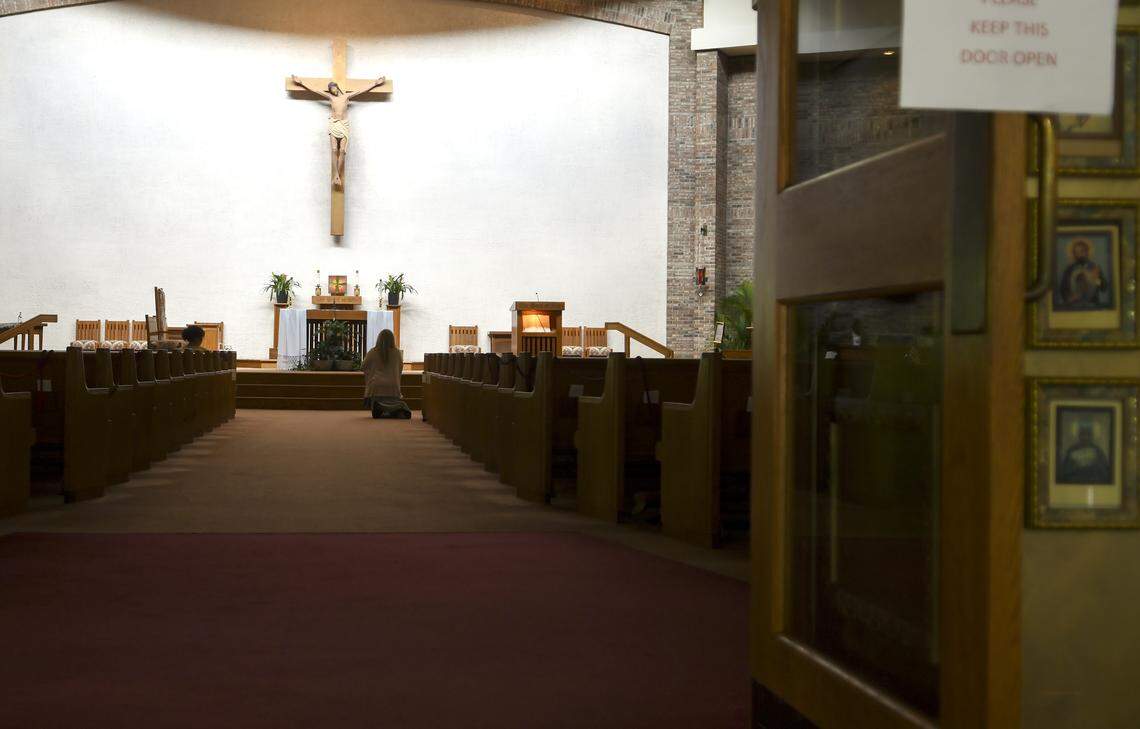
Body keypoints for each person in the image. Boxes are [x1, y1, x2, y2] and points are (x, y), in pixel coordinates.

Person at [362, 329, 411, 419]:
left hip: (376, 387)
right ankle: (393, 410)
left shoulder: (373, 352)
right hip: (393, 386)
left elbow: (363, 366)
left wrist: (371, 372)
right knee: (396, 406)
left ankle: (379, 408)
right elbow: (400, 368)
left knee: (377, 401)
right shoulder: (397, 353)